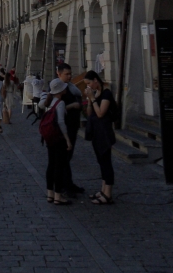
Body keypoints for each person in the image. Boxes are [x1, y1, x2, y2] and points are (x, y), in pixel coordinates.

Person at [39, 63, 84, 196]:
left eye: (70, 74)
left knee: (66, 158)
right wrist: (73, 106)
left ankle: (67, 183)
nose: (69, 76)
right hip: (63, 129)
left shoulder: (71, 87)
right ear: (59, 74)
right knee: (62, 159)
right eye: (66, 74)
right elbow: (53, 108)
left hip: (72, 125)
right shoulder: (57, 89)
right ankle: (63, 187)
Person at [84, 70, 116, 205]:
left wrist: (92, 98)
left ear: (96, 80)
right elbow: (90, 113)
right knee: (101, 161)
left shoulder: (106, 94)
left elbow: (100, 113)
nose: (88, 86)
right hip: (96, 132)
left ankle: (108, 194)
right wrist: (90, 100)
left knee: (106, 162)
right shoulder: (96, 93)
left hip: (104, 132)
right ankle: (103, 190)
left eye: (89, 83)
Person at [42, 78, 73, 205]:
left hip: (49, 138)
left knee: (51, 164)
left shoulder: (49, 102)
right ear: (61, 90)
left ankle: (50, 194)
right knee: (58, 166)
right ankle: (58, 196)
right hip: (58, 138)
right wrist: (67, 139)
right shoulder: (60, 103)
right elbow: (61, 122)